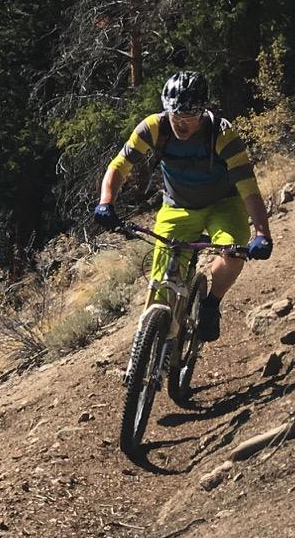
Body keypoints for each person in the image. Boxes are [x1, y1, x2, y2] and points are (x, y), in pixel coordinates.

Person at [91, 70, 272, 341]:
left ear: (202, 113)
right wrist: (106, 202)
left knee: (233, 256)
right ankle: (151, 347)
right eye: (176, 116)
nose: (181, 124)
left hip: (223, 204)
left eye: (189, 118)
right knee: (160, 284)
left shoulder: (221, 134)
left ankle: (211, 304)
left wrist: (262, 234)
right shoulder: (154, 127)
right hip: (177, 206)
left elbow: (248, 188)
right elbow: (119, 166)